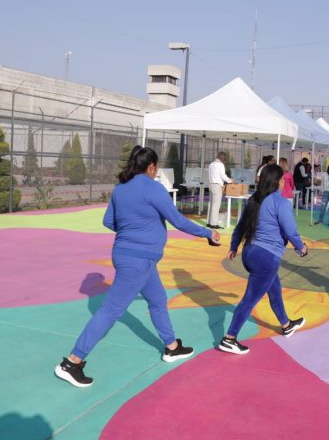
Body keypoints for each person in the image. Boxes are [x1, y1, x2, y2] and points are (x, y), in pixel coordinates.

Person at [55, 147, 220, 387]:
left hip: (131, 257)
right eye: (156, 167)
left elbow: (108, 221)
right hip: (138, 261)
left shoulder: (121, 188)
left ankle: (172, 346)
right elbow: (178, 221)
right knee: (110, 311)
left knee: (157, 299)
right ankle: (72, 362)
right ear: (151, 167)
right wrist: (209, 233)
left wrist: (131, 230)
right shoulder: (154, 188)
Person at [221, 164, 308, 355]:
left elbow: (240, 227)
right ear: (276, 181)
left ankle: (286, 324)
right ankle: (229, 338)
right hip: (266, 257)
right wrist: (301, 247)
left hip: (250, 253)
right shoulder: (281, 202)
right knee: (250, 298)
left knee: (274, 289)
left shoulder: (254, 200)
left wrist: (234, 247)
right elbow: (290, 230)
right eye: (282, 178)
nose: (284, 181)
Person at [207, 151, 232, 229]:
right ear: (222, 158)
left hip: (211, 184)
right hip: (217, 185)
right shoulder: (220, 165)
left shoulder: (211, 164)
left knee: (212, 204)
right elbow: (223, 176)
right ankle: (214, 224)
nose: (225, 161)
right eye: (225, 159)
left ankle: (209, 222)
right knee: (216, 205)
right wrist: (230, 180)